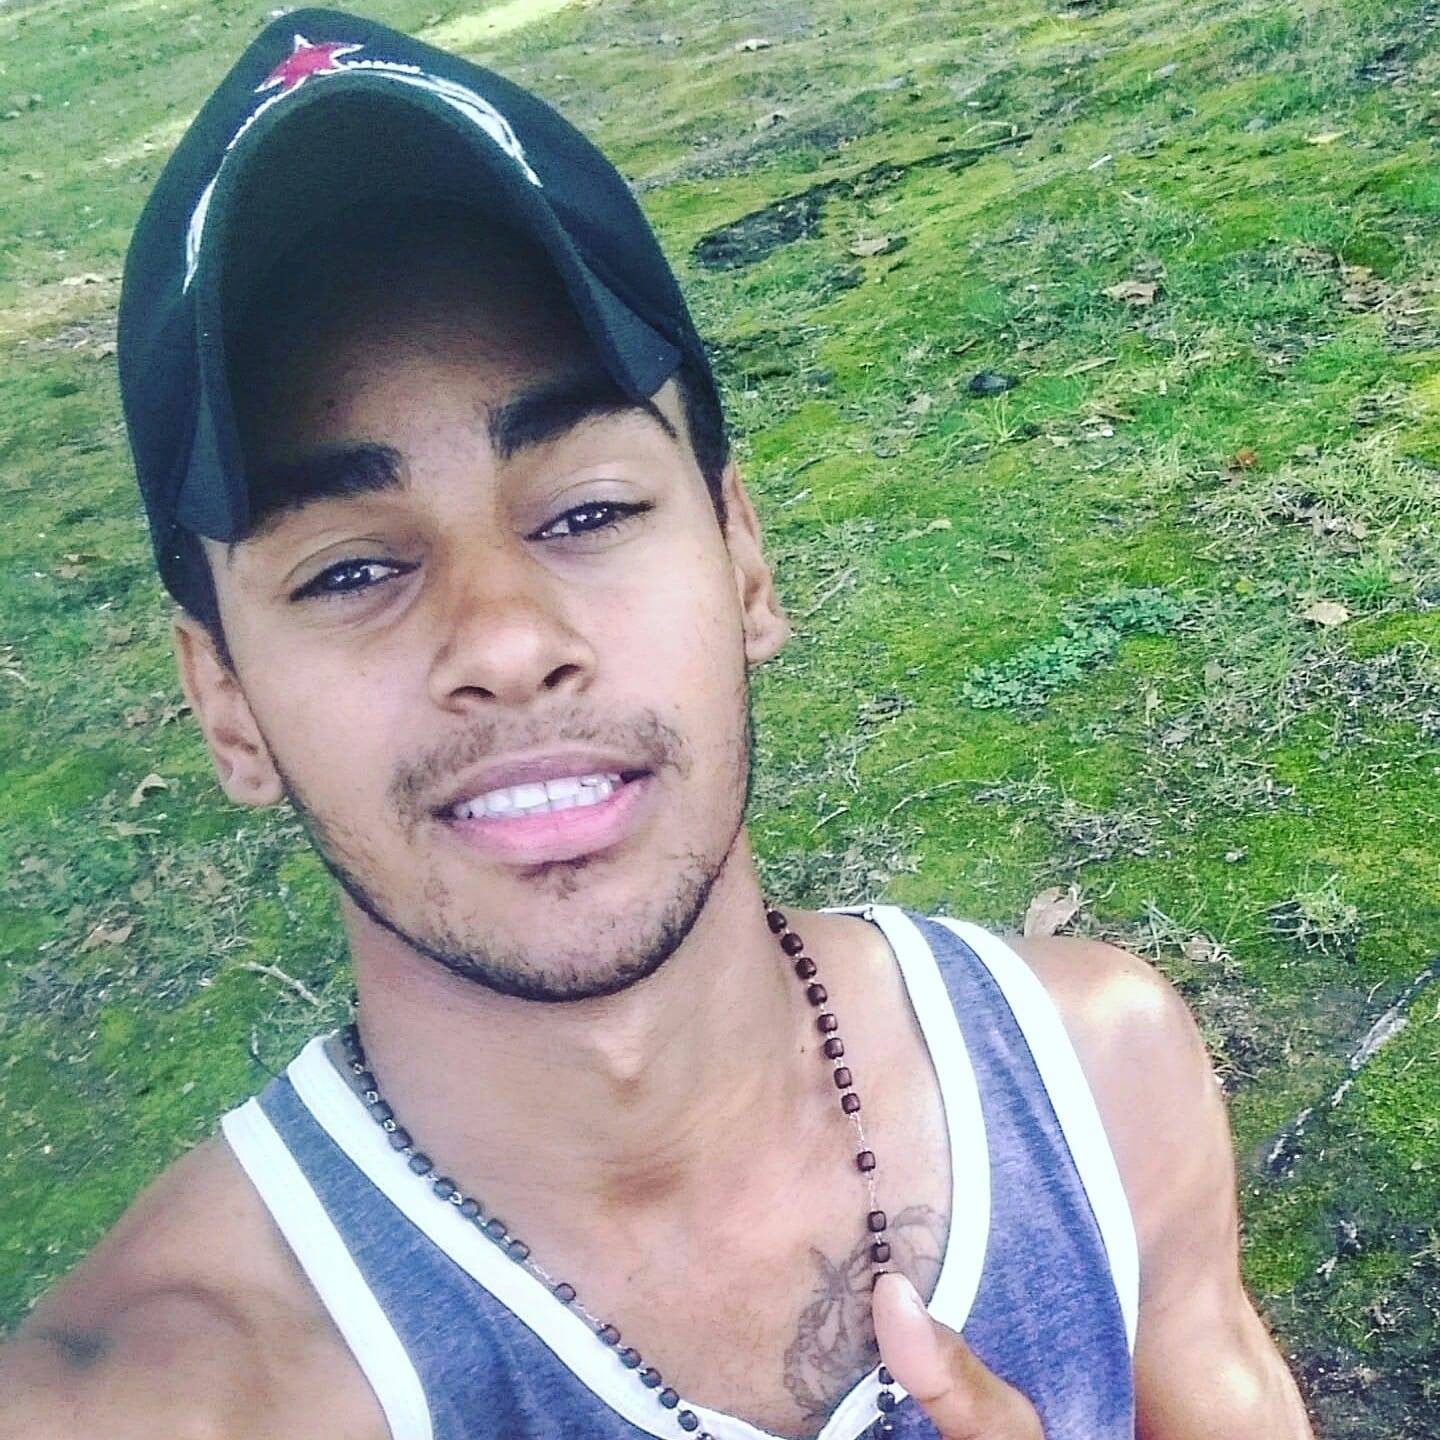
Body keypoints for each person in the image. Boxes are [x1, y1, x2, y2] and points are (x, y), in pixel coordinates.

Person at [2, 9, 1316, 1439]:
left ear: (743, 558)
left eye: (586, 511)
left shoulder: (1098, 1080)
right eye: (350, 571)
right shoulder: (152, 1403)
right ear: (225, 703)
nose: (506, 643)